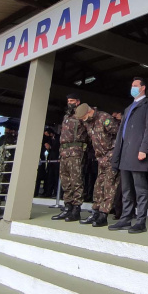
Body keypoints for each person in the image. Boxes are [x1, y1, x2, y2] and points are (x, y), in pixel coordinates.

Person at [110, 78, 148, 234]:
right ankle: (125, 218)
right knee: (126, 190)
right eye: (132, 86)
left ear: (143, 88)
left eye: (135, 86)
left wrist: (144, 149)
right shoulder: (129, 107)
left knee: (140, 189)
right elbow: (120, 134)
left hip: (138, 153)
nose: (133, 88)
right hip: (125, 153)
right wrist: (117, 154)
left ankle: (141, 221)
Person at [76, 104, 119, 228]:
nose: (83, 120)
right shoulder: (89, 123)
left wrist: (111, 154)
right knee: (98, 186)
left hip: (111, 158)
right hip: (101, 159)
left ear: (89, 112)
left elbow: (119, 135)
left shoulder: (105, 118)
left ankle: (103, 215)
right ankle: (95, 212)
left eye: (84, 117)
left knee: (109, 186)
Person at [53, 93, 89, 222]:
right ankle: (67, 207)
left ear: (78, 102)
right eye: (68, 100)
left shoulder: (81, 116)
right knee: (65, 181)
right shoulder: (66, 116)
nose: (70, 103)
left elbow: (89, 132)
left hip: (76, 152)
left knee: (76, 181)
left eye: (72, 100)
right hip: (64, 152)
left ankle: (76, 210)